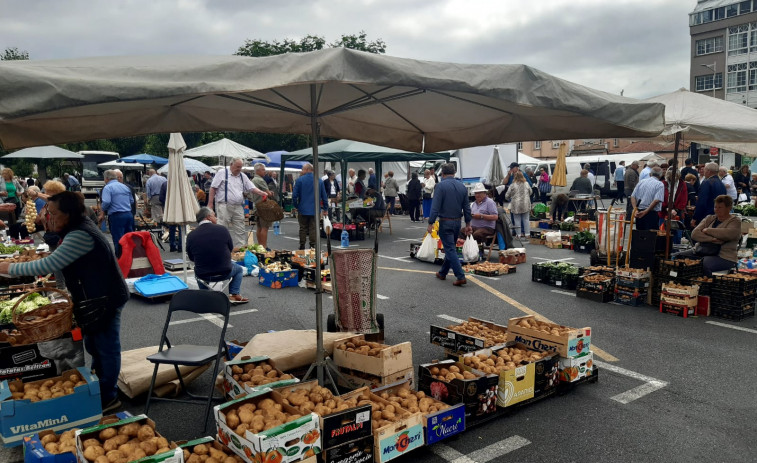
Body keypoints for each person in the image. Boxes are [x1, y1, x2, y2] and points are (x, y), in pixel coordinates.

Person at [0, 191, 129, 413]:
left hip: (104, 298)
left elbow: (46, 265)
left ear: (68, 214)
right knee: (95, 347)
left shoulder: (80, 235)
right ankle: (100, 390)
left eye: (52, 213)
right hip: (93, 298)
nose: (47, 217)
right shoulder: (77, 226)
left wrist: (7, 268)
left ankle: (109, 396)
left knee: (106, 349)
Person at [186, 207, 249, 304]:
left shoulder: (191, 235)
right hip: (224, 272)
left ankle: (205, 295)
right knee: (239, 269)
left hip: (203, 274)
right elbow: (230, 249)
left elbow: (191, 258)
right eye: (214, 215)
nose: (216, 218)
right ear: (208, 217)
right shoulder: (222, 230)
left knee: (197, 268)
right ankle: (234, 294)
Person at [207, 158, 267, 249]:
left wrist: (262, 193)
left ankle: (240, 249)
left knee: (240, 229)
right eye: (237, 167)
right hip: (224, 205)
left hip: (238, 206)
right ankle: (220, 248)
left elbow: (251, 187)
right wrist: (210, 203)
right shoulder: (222, 173)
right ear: (231, 165)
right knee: (222, 228)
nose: (239, 169)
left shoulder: (242, 176)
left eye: (240, 167)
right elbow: (213, 188)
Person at [428, 163, 471, 286]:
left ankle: (460, 275)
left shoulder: (440, 186)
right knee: (450, 247)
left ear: (442, 173)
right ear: (454, 173)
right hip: (458, 221)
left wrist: (430, 222)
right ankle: (443, 272)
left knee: (450, 248)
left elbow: (435, 207)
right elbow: (467, 208)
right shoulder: (462, 187)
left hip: (445, 221)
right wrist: (468, 223)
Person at [674, 195, 740, 276]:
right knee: (678, 257)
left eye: (720, 207)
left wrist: (707, 230)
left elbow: (729, 234)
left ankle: (707, 285)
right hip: (701, 250)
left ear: (729, 208)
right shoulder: (710, 218)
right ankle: (684, 282)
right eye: (715, 207)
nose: (717, 210)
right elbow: (694, 234)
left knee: (703, 263)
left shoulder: (735, 221)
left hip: (724, 256)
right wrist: (712, 239)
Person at [98, 170, 134, 257]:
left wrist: (102, 209)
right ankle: (131, 256)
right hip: (128, 214)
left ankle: (120, 258)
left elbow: (106, 202)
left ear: (106, 178)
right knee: (129, 237)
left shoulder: (108, 187)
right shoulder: (125, 187)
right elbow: (132, 201)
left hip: (116, 215)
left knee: (118, 238)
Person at [292, 163, 328, 250]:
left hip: (302, 208)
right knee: (313, 228)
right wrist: (325, 208)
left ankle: (302, 245)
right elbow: (324, 196)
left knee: (303, 228)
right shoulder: (319, 181)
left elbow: (294, 196)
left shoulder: (300, 180)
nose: (302, 171)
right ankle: (312, 245)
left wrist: (296, 205)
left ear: (308, 169)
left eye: (303, 169)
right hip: (315, 209)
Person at [630, 167, 664, 231]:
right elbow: (656, 200)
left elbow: (633, 196)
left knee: (640, 234)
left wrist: (635, 209)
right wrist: (646, 211)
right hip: (651, 213)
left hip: (639, 211)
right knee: (651, 236)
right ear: (661, 175)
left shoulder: (642, 182)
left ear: (650, 174)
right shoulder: (660, 184)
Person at [693, 162, 727, 227]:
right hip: (718, 216)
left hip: (707, 217)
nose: (704, 172)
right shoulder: (721, 184)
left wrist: (695, 218)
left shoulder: (706, 183)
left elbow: (702, 202)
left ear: (708, 171)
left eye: (705, 170)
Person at [660, 168, 688, 243]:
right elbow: (660, 198)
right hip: (664, 213)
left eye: (675, 176)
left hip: (678, 214)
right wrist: (666, 208)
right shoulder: (663, 184)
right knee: (663, 235)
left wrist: (676, 210)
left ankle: (675, 253)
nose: (673, 178)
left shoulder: (682, 184)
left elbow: (684, 199)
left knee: (677, 236)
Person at [250, 163, 273, 249]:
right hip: (264, 206)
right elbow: (268, 193)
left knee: (259, 227)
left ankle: (260, 246)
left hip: (256, 205)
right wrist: (271, 193)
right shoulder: (260, 180)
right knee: (265, 227)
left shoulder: (253, 180)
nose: (265, 171)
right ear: (258, 170)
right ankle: (264, 246)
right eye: (263, 169)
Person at [505, 171, 532, 239]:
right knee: (526, 219)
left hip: (516, 205)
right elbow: (531, 192)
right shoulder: (526, 184)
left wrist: (509, 198)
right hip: (525, 204)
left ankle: (518, 235)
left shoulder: (512, 185)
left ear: (515, 177)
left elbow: (507, 195)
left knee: (517, 220)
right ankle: (527, 234)